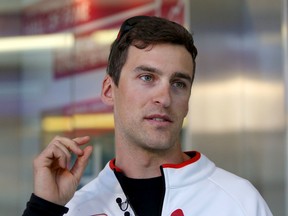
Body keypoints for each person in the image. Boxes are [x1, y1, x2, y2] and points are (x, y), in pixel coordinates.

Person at [22, 15, 272, 216]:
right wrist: (43, 209)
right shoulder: (75, 208)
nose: (164, 98)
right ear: (109, 90)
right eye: (147, 78)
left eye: (179, 83)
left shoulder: (238, 202)